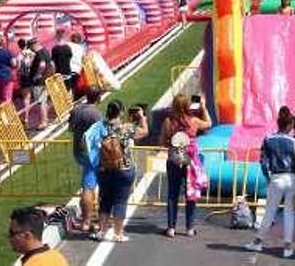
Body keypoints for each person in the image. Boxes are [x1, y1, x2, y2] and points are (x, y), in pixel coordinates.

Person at [86, 100, 148, 242]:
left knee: (105, 200)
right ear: (120, 112)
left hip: (104, 169)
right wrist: (142, 117)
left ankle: (101, 231)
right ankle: (118, 233)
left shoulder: (98, 127)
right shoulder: (125, 128)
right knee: (120, 201)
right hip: (123, 168)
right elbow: (144, 132)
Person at [244, 107, 295, 259]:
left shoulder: (268, 139)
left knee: (270, 211)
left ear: (278, 123)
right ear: (290, 125)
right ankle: (287, 247)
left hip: (276, 177)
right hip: (292, 177)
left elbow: (263, 161)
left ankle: (257, 241)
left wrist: (268, 177)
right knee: (289, 212)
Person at [159, 94, 212, 238]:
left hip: (174, 159)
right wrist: (203, 107)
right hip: (190, 161)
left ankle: (171, 227)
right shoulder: (193, 121)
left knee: (172, 193)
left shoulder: (168, 122)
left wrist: (172, 143)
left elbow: (162, 142)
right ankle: (189, 227)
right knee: (191, 193)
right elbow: (209, 123)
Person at [68, 88, 103, 232]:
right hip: (91, 154)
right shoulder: (95, 114)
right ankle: (86, 221)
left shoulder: (76, 110)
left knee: (86, 185)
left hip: (77, 151)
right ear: (99, 98)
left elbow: (70, 128)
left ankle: (87, 215)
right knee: (88, 187)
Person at [27, 39, 54, 130]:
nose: (31, 50)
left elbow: (42, 65)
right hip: (45, 79)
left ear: (33, 45)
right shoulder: (46, 51)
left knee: (41, 102)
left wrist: (37, 75)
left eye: (30, 48)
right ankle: (45, 119)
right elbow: (51, 64)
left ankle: (43, 122)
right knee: (44, 100)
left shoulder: (39, 53)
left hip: (39, 82)